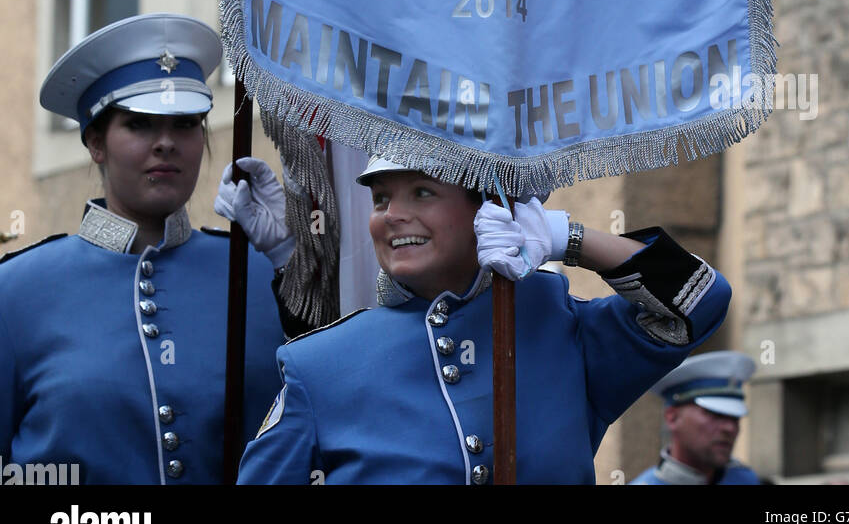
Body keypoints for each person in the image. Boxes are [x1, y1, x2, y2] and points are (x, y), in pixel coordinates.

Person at [237, 154, 733, 485]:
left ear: (487, 208)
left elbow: (698, 302)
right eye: (382, 198)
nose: (392, 215)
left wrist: (569, 238)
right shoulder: (320, 364)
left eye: (422, 192)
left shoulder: (555, 321)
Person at [0, 13, 291, 485]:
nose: (165, 144)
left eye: (184, 125)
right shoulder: (15, 292)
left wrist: (294, 268)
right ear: (96, 142)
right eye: (140, 125)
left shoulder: (262, 277)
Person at [630, 350, 762, 485]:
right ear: (672, 417)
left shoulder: (746, 480)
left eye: (735, 417)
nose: (730, 428)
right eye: (715, 414)